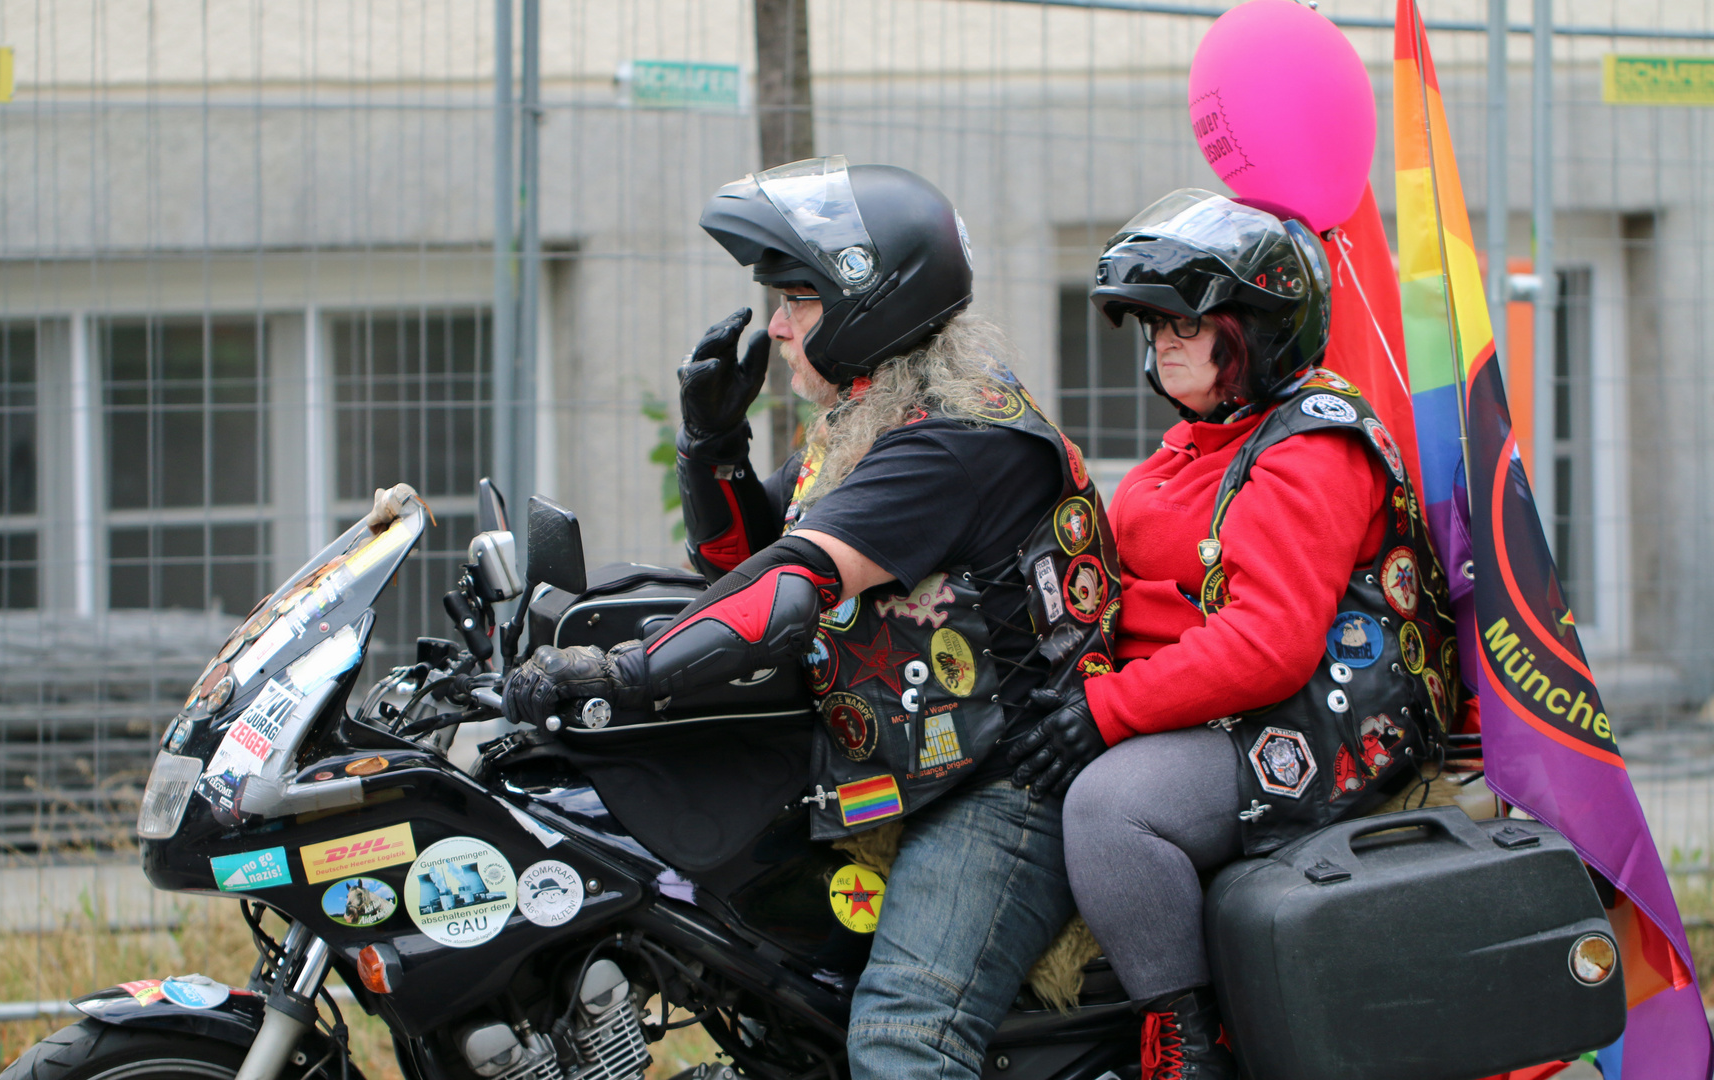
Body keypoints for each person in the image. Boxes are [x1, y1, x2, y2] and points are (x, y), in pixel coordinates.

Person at [505, 156, 1121, 1080]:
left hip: (1004, 790)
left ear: (871, 303)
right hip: (908, 771)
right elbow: (743, 562)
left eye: (798, 299)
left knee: (903, 1037)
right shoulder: (873, 422)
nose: (777, 327)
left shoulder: (956, 440)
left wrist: (621, 677)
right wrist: (712, 442)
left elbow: (789, 589)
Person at [1008, 189, 1456, 1080]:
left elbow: (1269, 642)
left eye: (1187, 322)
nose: (1163, 341)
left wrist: (1108, 710)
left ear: (1255, 328)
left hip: (1316, 719)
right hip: (1226, 703)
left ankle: (1188, 1047)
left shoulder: (1311, 448)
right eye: (1153, 326)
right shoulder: (1206, 437)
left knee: (1112, 810)